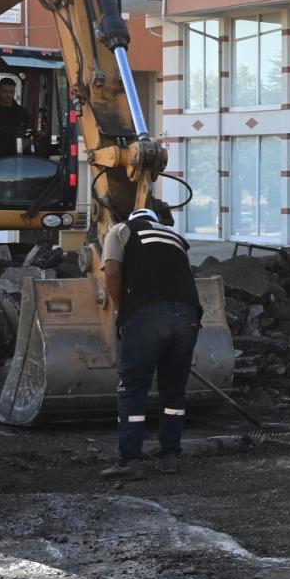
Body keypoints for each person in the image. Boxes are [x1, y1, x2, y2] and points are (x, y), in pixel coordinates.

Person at [99, 201, 202, 480]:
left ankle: (130, 459)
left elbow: (111, 271)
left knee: (133, 388)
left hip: (148, 315)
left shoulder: (120, 230)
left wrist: (121, 311)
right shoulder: (176, 238)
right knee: (173, 389)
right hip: (188, 315)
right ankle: (170, 456)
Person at [0, 76, 33, 157]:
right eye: (5, 91)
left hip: (17, 151)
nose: (8, 95)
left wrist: (22, 135)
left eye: (11, 92)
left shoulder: (22, 112)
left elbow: (28, 130)